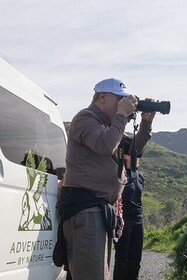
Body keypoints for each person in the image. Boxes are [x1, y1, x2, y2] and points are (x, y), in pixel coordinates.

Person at [54, 78, 153, 280]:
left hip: (98, 211)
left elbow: (135, 150)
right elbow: (105, 145)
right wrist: (121, 116)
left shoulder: (109, 126)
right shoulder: (85, 119)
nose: (125, 104)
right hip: (85, 209)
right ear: (102, 97)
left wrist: (146, 123)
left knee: (96, 273)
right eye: (120, 100)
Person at [113, 109, 154, 280]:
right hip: (124, 219)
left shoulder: (139, 175)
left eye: (138, 156)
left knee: (135, 259)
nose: (137, 157)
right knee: (122, 259)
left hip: (138, 219)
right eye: (133, 154)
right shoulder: (117, 172)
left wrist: (148, 121)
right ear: (124, 155)